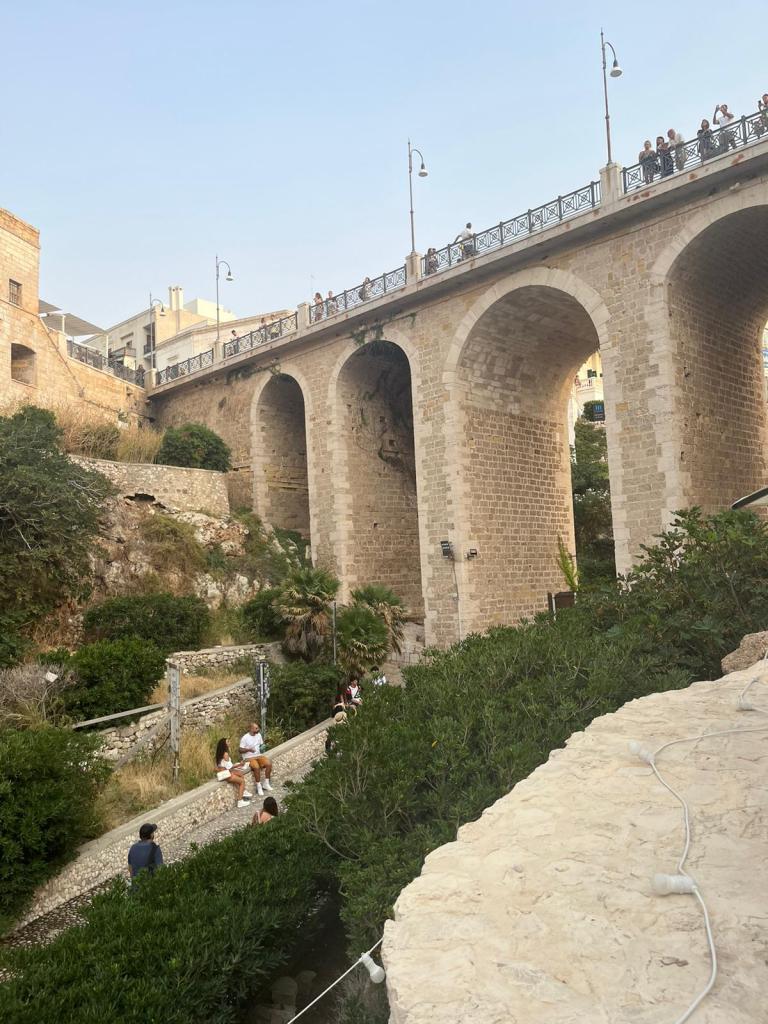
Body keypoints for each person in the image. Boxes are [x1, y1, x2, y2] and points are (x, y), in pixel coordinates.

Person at [215, 737, 252, 808]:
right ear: (224, 745)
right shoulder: (225, 754)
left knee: (240, 773)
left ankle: (243, 791)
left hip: (225, 773)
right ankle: (240, 801)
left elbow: (219, 766)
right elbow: (230, 767)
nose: (229, 743)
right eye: (228, 742)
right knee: (242, 782)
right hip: (227, 774)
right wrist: (240, 764)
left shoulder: (219, 754)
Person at [239, 722, 273, 797]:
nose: (258, 729)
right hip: (249, 757)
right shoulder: (245, 738)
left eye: (258, 728)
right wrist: (249, 750)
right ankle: (259, 786)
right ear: (251, 729)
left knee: (269, 763)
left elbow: (261, 744)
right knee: (256, 767)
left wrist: (263, 746)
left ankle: (266, 783)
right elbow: (240, 750)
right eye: (256, 728)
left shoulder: (259, 735)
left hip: (258, 755)